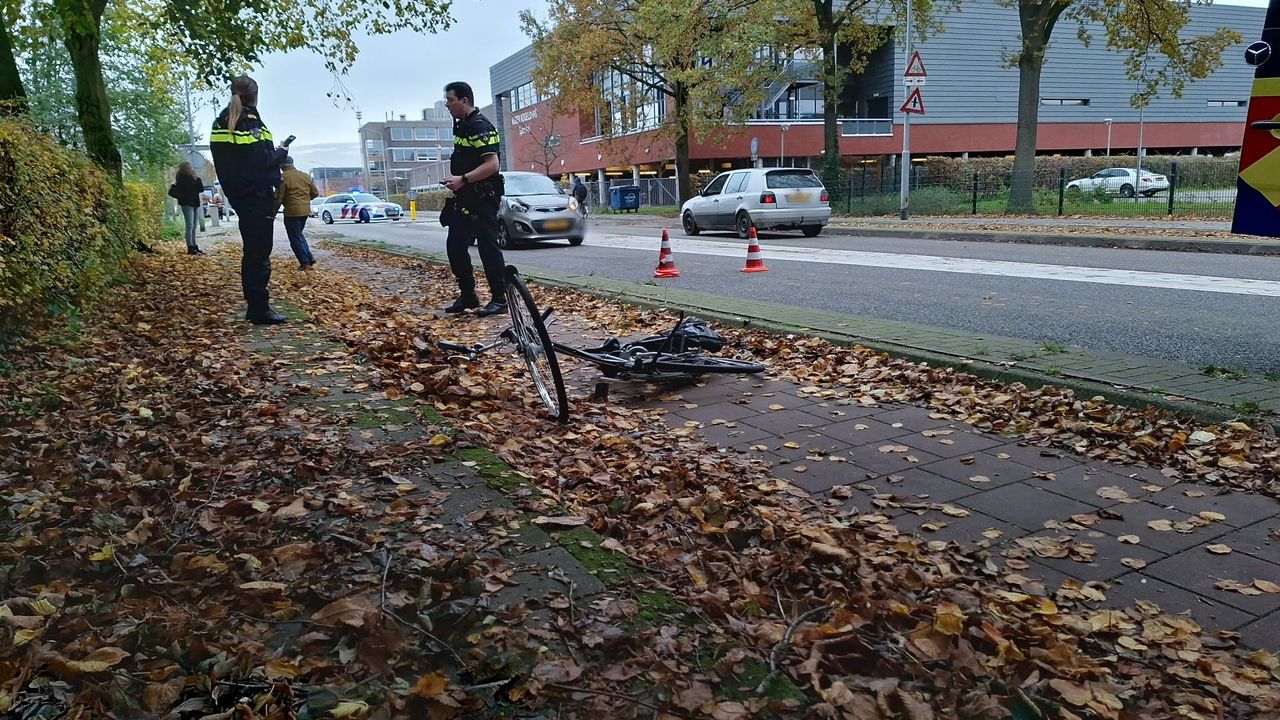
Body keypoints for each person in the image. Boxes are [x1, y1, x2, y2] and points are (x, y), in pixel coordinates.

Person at [210, 75, 289, 325]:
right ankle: (259, 309)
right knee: (258, 253)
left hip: (242, 195)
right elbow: (260, 161)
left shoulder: (223, 120)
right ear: (255, 95)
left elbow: (237, 161)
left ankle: (256, 305)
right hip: (256, 195)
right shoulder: (249, 120)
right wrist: (281, 152)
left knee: (253, 251)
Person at [440, 80, 506, 317]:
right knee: (455, 246)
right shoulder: (463, 126)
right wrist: (457, 181)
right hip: (465, 197)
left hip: (481, 198)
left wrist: (463, 179)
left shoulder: (480, 126)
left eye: (450, 100)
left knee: (488, 248)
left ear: (464, 101)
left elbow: (492, 165)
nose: (447, 105)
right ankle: (468, 295)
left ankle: (500, 298)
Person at [276, 156, 319, 269]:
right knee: (299, 235)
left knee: (294, 238)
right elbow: (315, 193)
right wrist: (304, 201)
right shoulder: (305, 176)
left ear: (283, 165)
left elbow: (279, 198)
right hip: (305, 211)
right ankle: (309, 257)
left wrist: (272, 211)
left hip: (292, 212)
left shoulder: (283, 177)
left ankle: (304, 263)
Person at [168, 162, 206, 255]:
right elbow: (188, 189)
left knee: (194, 225)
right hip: (187, 203)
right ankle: (190, 247)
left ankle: (194, 245)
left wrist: (197, 178)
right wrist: (194, 179)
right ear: (185, 169)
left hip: (194, 203)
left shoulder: (194, 177)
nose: (191, 169)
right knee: (189, 225)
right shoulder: (182, 178)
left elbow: (200, 189)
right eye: (189, 167)